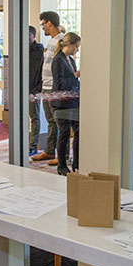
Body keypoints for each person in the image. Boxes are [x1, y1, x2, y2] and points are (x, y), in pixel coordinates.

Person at [31, 11, 63, 166]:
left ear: (49, 23)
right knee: (51, 121)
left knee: (58, 122)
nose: (42, 27)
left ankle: (61, 154)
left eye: (42, 23)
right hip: (46, 86)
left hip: (54, 88)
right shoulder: (51, 41)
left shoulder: (61, 41)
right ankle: (49, 151)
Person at [52, 32, 81, 175]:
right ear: (68, 45)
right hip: (61, 104)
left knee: (79, 132)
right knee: (63, 133)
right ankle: (61, 165)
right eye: (76, 47)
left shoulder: (70, 60)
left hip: (73, 102)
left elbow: (74, 83)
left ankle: (77, 161)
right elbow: (59, 84)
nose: (77, 50)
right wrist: (75, 75)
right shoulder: (58, 60)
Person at [27, 25, 44, 156]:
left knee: (35, 117)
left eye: (28, 35)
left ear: (34, 35)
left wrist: (37, 90)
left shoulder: (39, 50)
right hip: (21, 89)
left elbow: (41, 72)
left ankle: (33, 145)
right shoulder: (19, 49)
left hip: (34, 89)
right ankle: (23, 142)